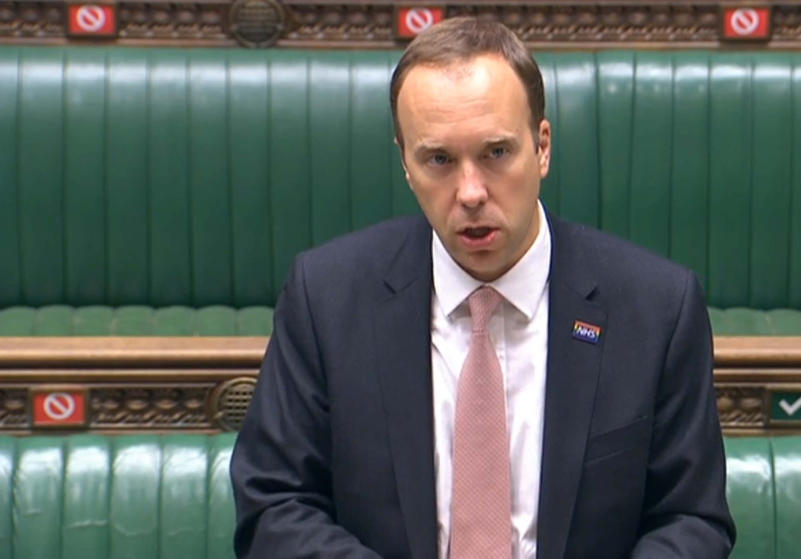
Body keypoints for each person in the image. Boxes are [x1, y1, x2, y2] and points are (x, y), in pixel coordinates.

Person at [231, 16, 735, 559]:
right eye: (439, 160)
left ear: (541, 147)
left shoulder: (656, 308)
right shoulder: (325, 298)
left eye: (496, 153)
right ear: (405, 161)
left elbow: (691, 519)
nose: (470, 192)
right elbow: (274, 504)